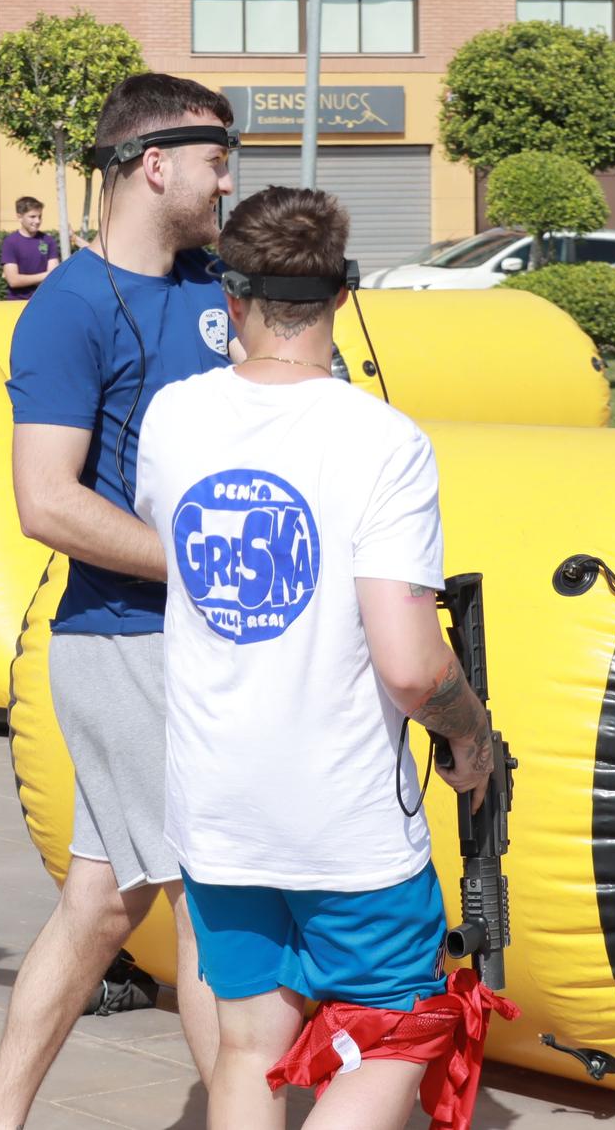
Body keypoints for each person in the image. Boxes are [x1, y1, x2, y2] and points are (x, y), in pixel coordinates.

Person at [135, 187, 497, 1130]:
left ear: (232, 294)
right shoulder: (383, 440)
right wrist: (472, 732)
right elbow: (413, 665)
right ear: (343, 294)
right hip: (346, 821)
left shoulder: (174, 418)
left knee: (250, 1046)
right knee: (394, 1037)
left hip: (218, 809)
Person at [0, 74, 238, 1128]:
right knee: (211, 905)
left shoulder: (220, 284)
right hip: (123, 640)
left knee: (98, 904)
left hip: (199, 643)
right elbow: (46, 503)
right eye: (216, 159)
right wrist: (211, 568)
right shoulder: (68, 308)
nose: (230, 178)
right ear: (153, 165)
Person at [0, 196, 61, 300]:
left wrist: (48, 276)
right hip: (17, 302)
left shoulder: (48, 240)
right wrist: (45, 276)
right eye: (32, 216)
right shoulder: (10, 242)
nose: (37, 221)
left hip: (44, 300)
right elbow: (13, 281)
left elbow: (54, 277)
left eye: (40, 216)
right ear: (19, 217)